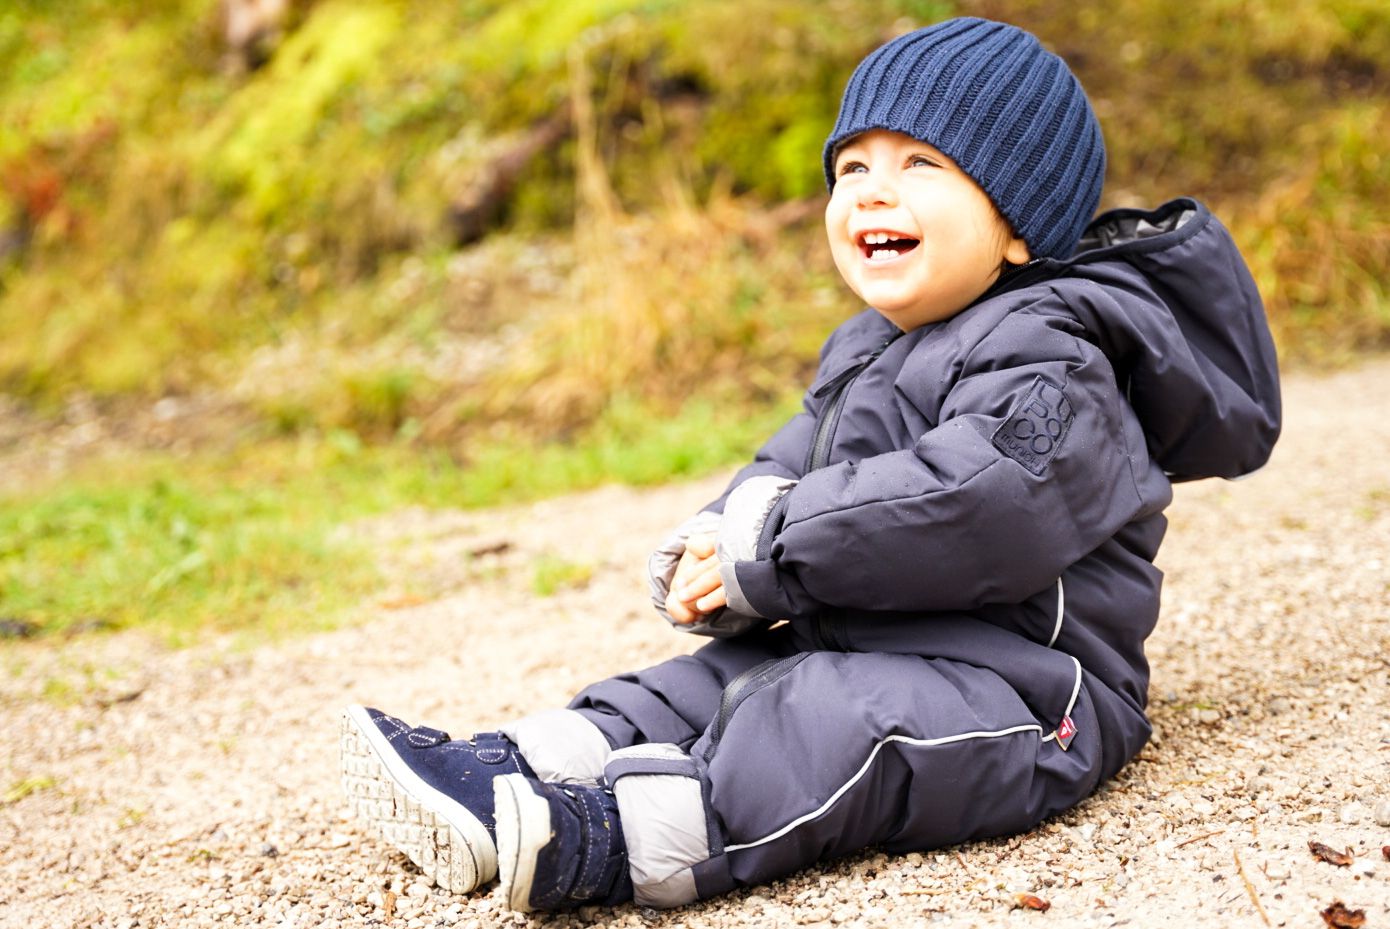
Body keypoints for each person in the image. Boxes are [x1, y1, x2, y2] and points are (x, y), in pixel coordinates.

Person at [339, 16, 1281, 913]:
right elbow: (791, 460)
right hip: (875, 631)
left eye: (921, 165)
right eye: (852, 168)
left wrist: (770, 545)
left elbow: (974, 503)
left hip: (1026, 691)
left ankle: (606, 836)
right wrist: (721, 538)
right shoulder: (870, 345)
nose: (873, 190)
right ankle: (513, 768)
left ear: (1019, 226)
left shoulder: (1056, 358)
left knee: (823, 722)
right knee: (709, 680)